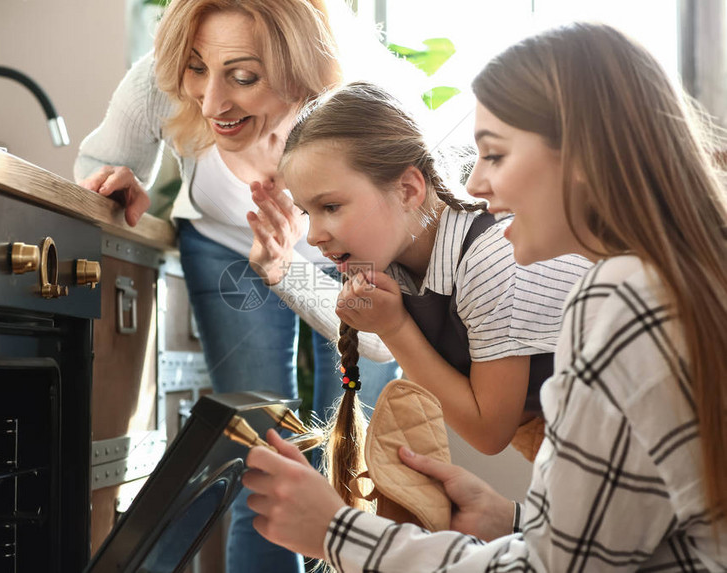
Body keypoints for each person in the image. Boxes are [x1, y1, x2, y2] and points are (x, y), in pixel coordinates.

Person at [242, 22, 727, 571]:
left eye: (494, 155)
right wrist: (514, 520)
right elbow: (625, 531)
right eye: (308, 212)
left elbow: (550, 558)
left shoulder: (610, 296)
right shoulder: (646, 285)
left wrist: (340, 534)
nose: (473, 184)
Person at [73, 1, 407, 572]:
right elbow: (100, 162)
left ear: (302, 68)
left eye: (244, 77)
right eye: (198, 69)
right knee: (265, 459)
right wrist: (113, 182)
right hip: (228, 249)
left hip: (353, 262)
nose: (211, 103)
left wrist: (289, 269)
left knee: (355, 464)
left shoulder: (368, 108)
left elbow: (383, 338)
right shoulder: (166, 73)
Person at [248, 81, 590, 464]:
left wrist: (396, 327)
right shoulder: (389, 248)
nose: (312, 236)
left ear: (409, 189)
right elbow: (377, 341)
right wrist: (282, 269)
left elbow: (490, 431)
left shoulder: (491, 256)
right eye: (308, 213)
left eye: (331, 206)